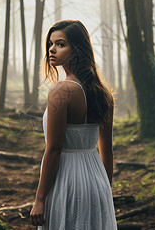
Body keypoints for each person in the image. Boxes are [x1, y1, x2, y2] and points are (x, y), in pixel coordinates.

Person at [30, 20, 118, 229]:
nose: (52, 49)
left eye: (61, 44)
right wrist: (105, 189)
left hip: (67, 181)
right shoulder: (104, 93)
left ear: (77, 48)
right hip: (98, 182)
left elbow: (54, 149)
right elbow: (107, 151)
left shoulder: (61, 91)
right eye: (50, 44)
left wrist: (40, 199)